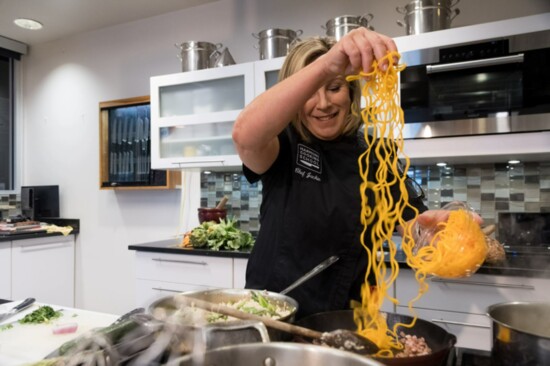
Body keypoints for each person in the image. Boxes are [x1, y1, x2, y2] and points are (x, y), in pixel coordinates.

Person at [232, 28, 468, 319]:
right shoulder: (282, 143)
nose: (324, 104)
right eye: (309, 92)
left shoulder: (377, 154)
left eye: (334, 87)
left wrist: (443, 235)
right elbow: (245, 136)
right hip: (275, 314)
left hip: (349, 319)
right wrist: (328, 65)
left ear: (351, 92)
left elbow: (414, 230)